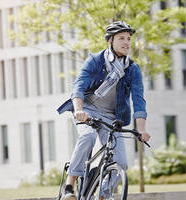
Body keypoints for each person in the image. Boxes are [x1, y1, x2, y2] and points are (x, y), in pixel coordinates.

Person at [57, 21, 151, 200]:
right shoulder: (95, 60)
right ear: (110, 41)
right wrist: (79, 110)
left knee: (121, 163)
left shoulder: (132, 68)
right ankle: (69, 186)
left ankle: (104, 194)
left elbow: (139, 100)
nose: (127, 42)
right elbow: (78, 87)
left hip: (112, 117)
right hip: (87, 110)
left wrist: (141, 129)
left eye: (129, 39)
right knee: (88, 136)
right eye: (121, 38)